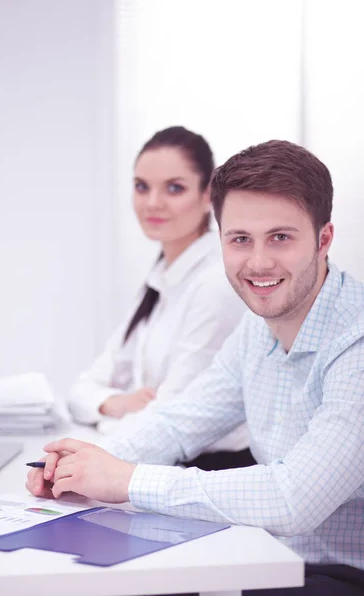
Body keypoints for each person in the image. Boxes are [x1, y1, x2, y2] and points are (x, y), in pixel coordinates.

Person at [27, 140, 364, 595]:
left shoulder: (356, 342)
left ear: (323, 239)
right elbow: (180, 422)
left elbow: (293, 499)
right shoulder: (257, 329)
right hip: (272, 560)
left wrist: (125, 478)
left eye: (280, 237)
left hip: (341, 574)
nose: (259, 262)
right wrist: (78, 466)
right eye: (240, 239)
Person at [68, 126, 251, 469]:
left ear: (207, 195)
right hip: (152, 459)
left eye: (174, 188)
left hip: (207, 470)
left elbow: (171, 414)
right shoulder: (160, 278)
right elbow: (81, 391)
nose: (153, 203)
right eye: (142, 187)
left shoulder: (216, 283)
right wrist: (114, 404)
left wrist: (100, 431)